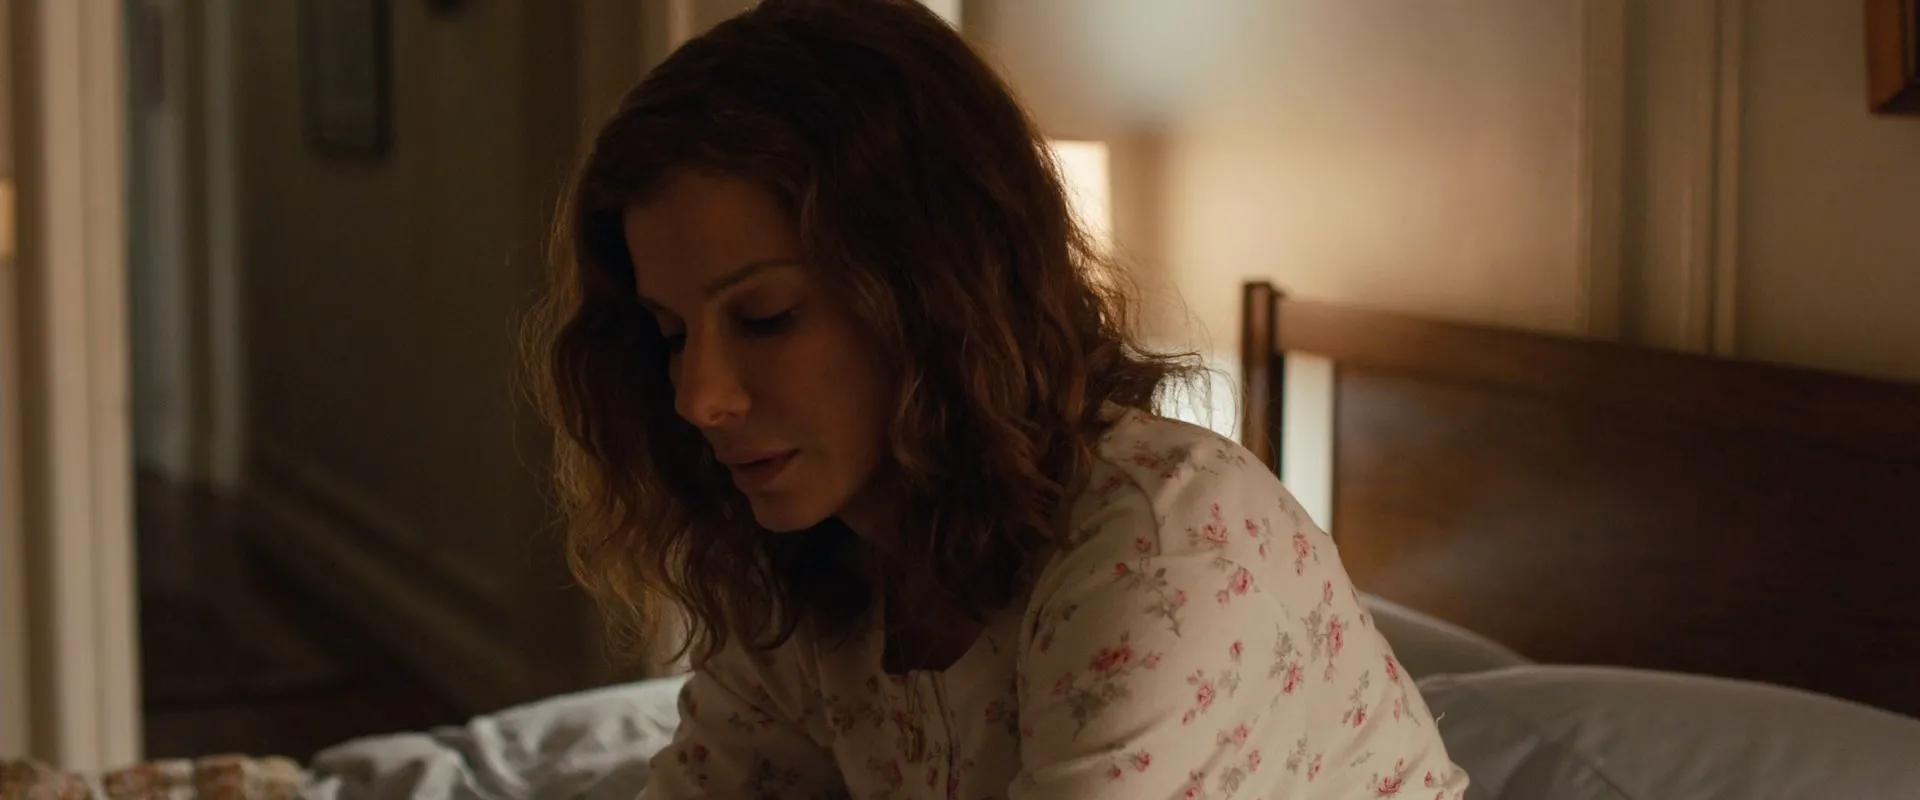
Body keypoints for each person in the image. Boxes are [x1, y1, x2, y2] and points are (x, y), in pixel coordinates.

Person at [524, 0, 1468, 797]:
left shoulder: (1165, 546)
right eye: (671, 334)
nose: (700, 398)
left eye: (767, 317)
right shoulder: (823, 567)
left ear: (931, 289)